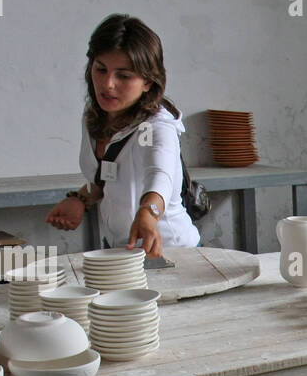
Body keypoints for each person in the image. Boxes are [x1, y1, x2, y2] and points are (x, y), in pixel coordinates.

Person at [46, 14, 198, 257]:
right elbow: (107, 178)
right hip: (121, 251)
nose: (107, 84)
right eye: (100, 69)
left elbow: (160, 176)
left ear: (148, 81)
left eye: (124, 75)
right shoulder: (95, 118)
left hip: (169, 252)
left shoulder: (158, 125)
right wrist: (79, 199)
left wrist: (148, 215)